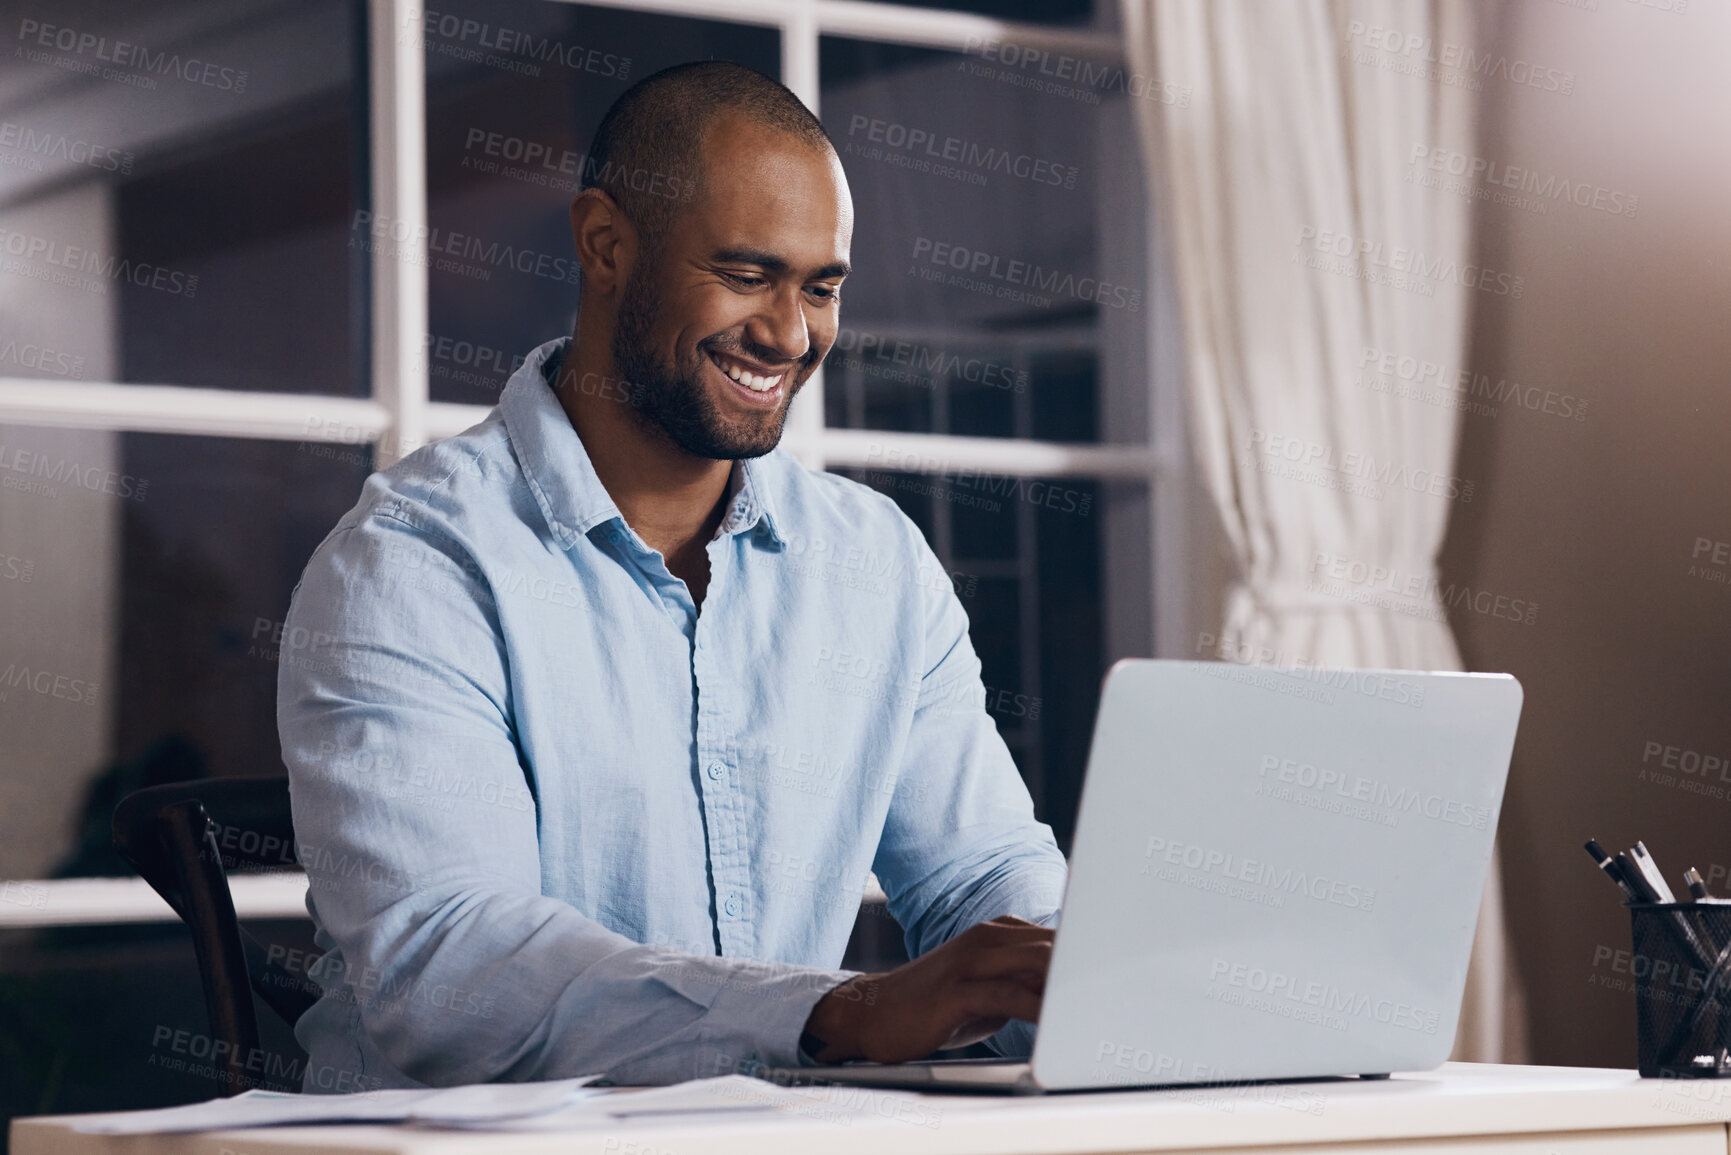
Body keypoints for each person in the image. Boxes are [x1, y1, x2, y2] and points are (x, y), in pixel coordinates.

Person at [278, 60, 1065, 1090]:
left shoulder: (876, 566)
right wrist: (847, 1012)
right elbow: (452, 974)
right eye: (746, 275)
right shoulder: (414, 565)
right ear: (606, 246)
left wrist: (1117, 983)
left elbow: (983, 882)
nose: (790, 333)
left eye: (820, 287)